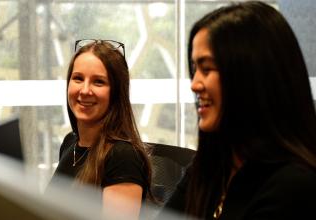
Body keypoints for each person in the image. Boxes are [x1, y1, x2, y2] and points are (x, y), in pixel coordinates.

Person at [163, 1, 316, 220]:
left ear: (252, 77)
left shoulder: (294, 187)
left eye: (206, 69)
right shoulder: (211, 166)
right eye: (195, 69)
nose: (194, 84)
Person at [51, 39, 152, 218]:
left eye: (98, 82)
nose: (84, 90)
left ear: (115, 92)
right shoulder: (70, 143)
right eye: (78, 78)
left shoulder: (123, 157)